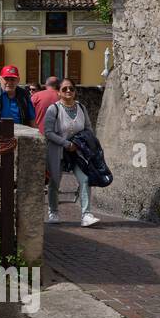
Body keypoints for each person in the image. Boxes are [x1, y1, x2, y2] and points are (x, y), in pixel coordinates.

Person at [43, 79, 99, 227]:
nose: (68, 91)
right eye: (65, 89)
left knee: (85, 179)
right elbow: (48, 132)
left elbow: (88, 128)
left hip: (78, 152)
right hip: (58, 151)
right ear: (59, 92)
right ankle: (53, 212)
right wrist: (66, 144)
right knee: (55, 182)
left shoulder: (81, 107)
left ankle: (86, 214)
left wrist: (84, 143)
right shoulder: (53, 109)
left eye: (71, 89)